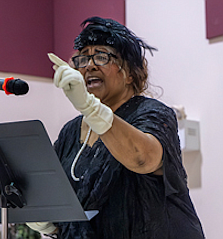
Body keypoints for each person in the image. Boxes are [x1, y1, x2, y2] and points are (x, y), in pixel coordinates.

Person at [27, 16, 205, 239]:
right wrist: (48, 222)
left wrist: (91, 109)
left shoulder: (153, 113)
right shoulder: (70, 132)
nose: (89, 65)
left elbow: (143, 158)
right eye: (82, 59)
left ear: (131, 72)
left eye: (102, 56)